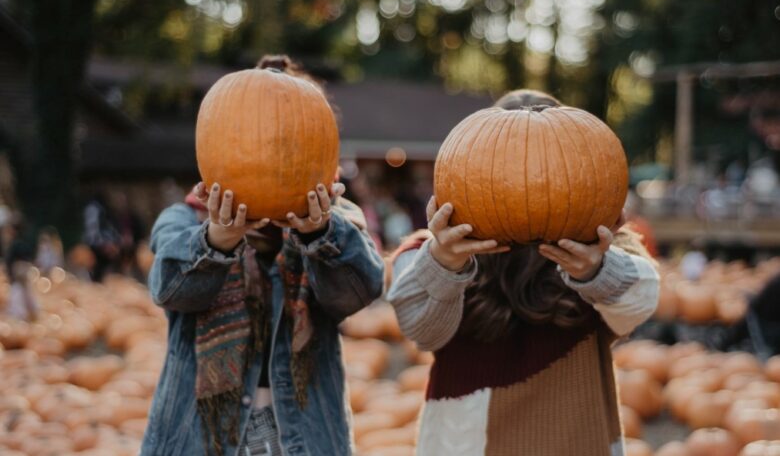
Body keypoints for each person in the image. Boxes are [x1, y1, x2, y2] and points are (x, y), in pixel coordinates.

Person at [387, 90, 660, 455]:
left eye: (545, 168)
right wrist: (443, 263)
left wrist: (596, 270)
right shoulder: (427, 253)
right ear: (478, 171)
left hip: (573, 441)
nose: (529, 182)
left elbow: (639, 306)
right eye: (513, 168)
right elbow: (421, 331)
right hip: (469, 443)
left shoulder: (603, 251)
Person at [140, 55, 385, 456]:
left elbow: (358, 291)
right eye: (256, 138)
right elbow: (169, 289)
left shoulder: (337, 224)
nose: (272, 153)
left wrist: (318, 233)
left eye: (291, 142)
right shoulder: (185, 220)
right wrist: (218, 240)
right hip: (203, 438)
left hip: (302, 437)